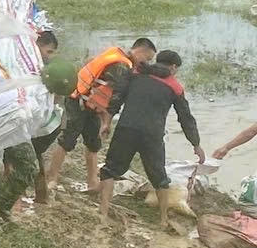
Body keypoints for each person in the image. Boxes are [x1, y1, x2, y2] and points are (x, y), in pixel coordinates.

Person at [98, 50, 204, 229]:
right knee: (160, 178)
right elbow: (185, 118)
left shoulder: (135, 74)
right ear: (173, 67)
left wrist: (106, 123)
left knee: (110, 170)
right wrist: (196, 144)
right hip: (152, 135)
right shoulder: (175, 87)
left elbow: (117, 97)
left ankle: (103, 212)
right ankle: (163, 220)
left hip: (127, 129)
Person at [0, 31, 60, 222]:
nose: (48, 56)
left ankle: (2, 208)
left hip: (15, 122)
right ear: (38, 45)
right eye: (48, 51)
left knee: (29, 167)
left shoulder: (37, 68)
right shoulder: (8, 53)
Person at [45, 37, 157, 193]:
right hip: (78, 102)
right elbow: (116, 99)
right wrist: (107, 122)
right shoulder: (121, 66)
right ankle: (52, 178)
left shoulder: (116, 53)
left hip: (93, 107)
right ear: (139, 51)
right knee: (67, 140)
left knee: (94, 144)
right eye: (147, 59)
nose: (147, 63)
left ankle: (92, 182)